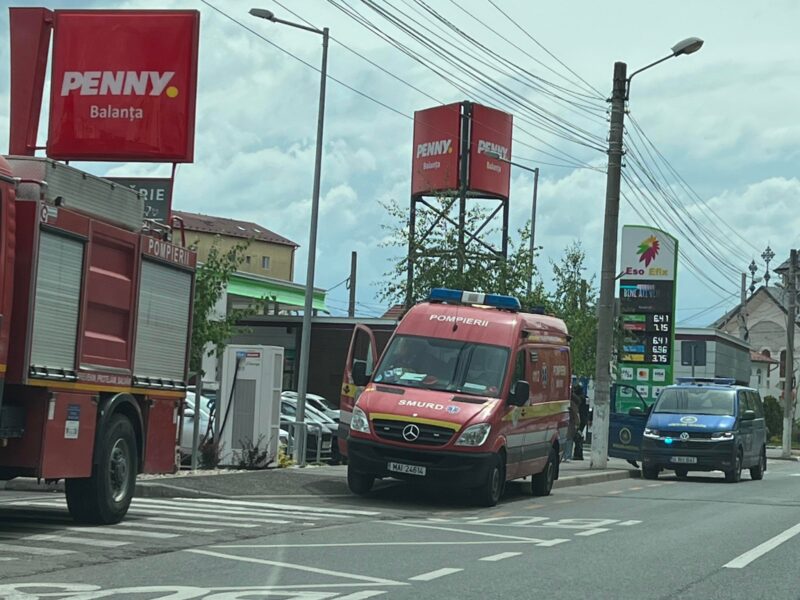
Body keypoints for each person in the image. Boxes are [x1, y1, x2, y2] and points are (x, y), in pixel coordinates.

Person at [563, 384, 581, 462]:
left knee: (568, 440)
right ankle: (567, 456)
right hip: (570, 423)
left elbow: (575, 414)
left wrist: (577, 424)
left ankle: (567, 456)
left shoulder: (571, 404)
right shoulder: (573, 403)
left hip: (570, 424)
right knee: (568, 439)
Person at [572, 384, 589, 460]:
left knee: (577, 437)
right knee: (579, 436)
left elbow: (577, 401)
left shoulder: (581, 398)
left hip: (580, 419)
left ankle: (578, 454)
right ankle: (578, 454)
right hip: (584, 419)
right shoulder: (586, 398)